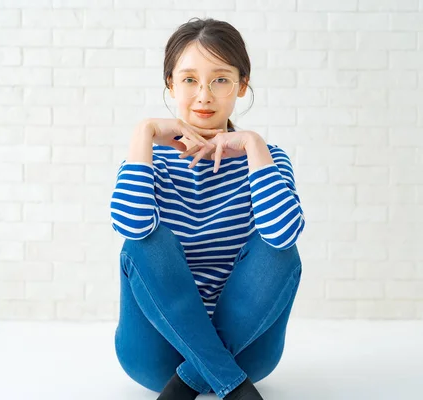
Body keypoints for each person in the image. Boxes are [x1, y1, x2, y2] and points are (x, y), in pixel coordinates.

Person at [110, 17, 305, 400]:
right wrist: (143, 133)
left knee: (281, 251)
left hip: (245, 350)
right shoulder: (146, 160)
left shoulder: (266, 159)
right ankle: (228, 385)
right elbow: (131, 231)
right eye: (188, 80)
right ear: (170, 84)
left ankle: (188, 384)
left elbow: (284, 238)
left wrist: (253, 145)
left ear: (241, 85)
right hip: (155, 354)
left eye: (219, 80)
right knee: (147, 242)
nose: (203, 96)